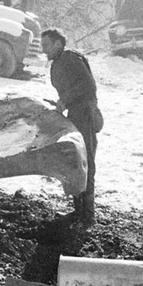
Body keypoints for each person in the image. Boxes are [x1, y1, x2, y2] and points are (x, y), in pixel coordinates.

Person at [40, 29, 103, 225]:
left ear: (58, 43)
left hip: (85, 113)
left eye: (46, 45)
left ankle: (88, 214)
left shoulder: (70, 58)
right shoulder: (59, 62)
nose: (44, 50)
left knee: (86, 161)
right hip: (76, 113)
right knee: (75, 159)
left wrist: (64, 100)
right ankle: (79, 210)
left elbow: (88, 85)